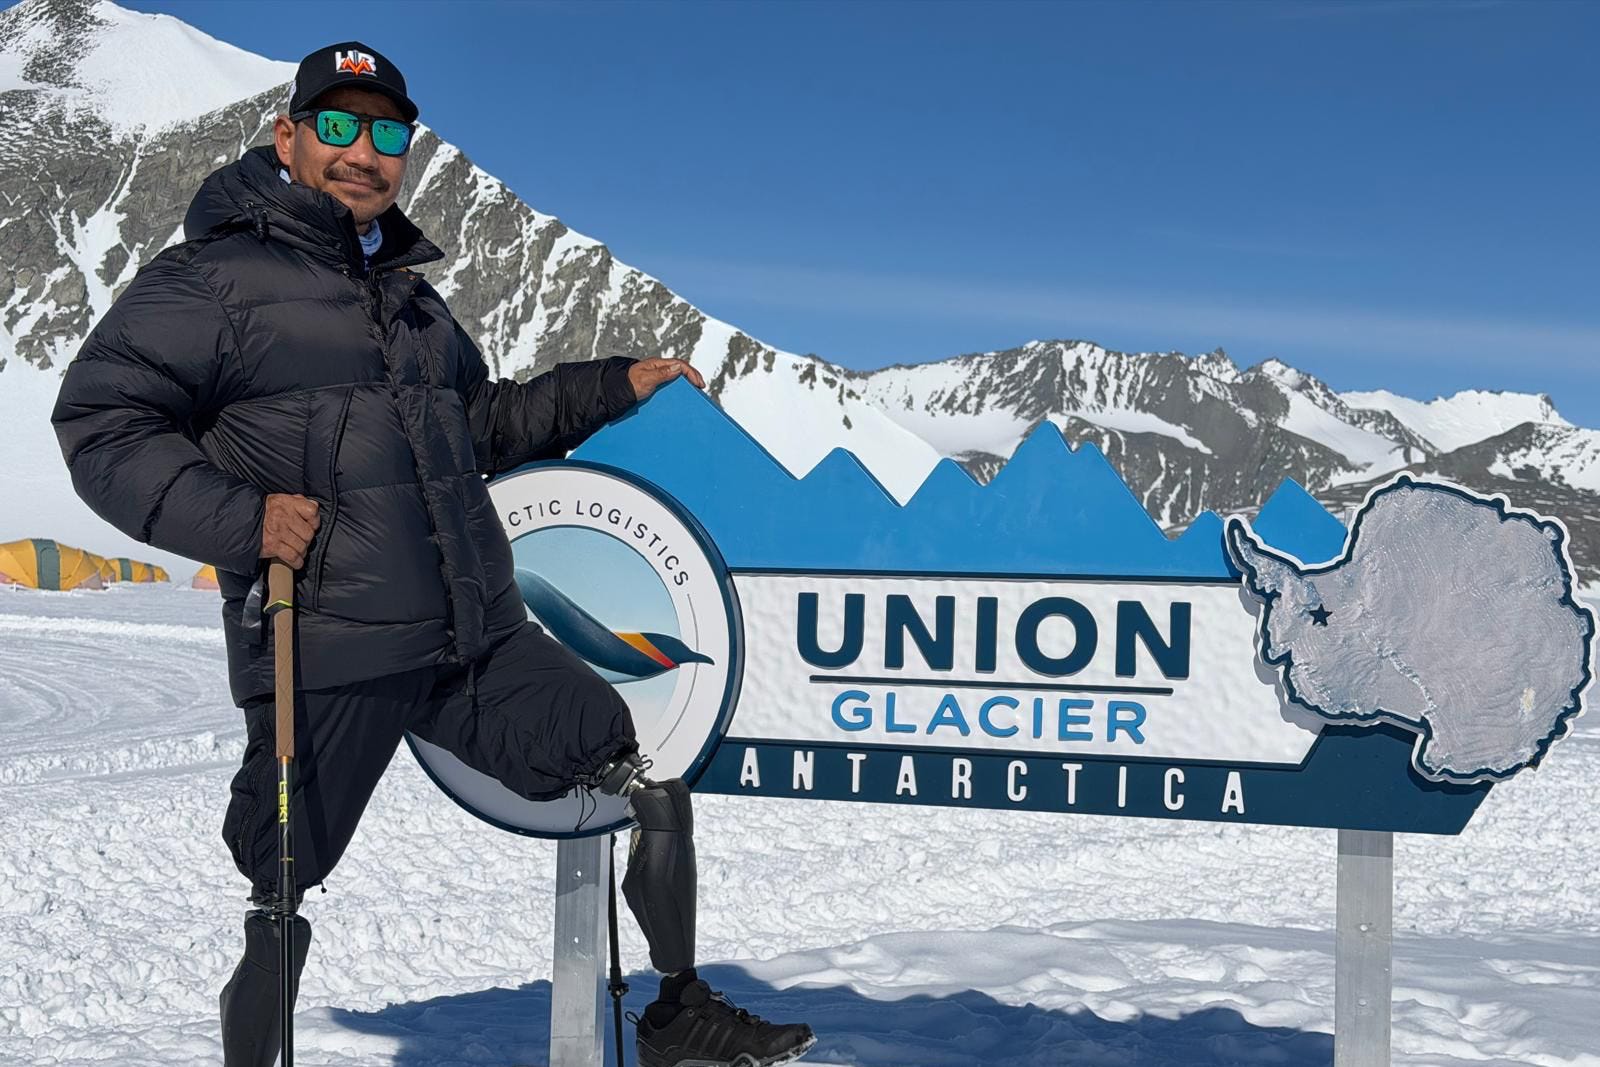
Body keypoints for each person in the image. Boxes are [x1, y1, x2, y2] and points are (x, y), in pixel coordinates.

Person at [51, 40, 815, 1067]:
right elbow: (102, 422)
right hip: (328, 643)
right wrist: (239, 522)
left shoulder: (413, 302)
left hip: (475, 637)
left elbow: (479, 423)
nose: (362, 151)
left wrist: (601, 388)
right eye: (337, 124)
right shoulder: (213, 281)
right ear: (287, 136)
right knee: (281, 880)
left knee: (639, 767)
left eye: (385, 132)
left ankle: (677, 1011)